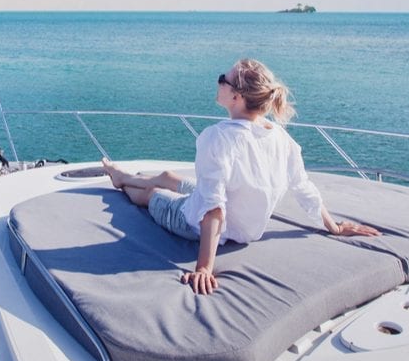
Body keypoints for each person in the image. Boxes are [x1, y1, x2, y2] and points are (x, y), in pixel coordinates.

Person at [102, 58, 381, 295]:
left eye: (224, 78)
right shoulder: (280, 137)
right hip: (242, 225)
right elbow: (303, 186)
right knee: (169, 177)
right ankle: (141, 176)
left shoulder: (218, 138)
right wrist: (332, 226)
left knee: (152, 196)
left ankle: (122, 181)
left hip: (193, 222)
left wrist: (204, 268)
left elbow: (213, 209)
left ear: (237, 97)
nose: (219, 80)